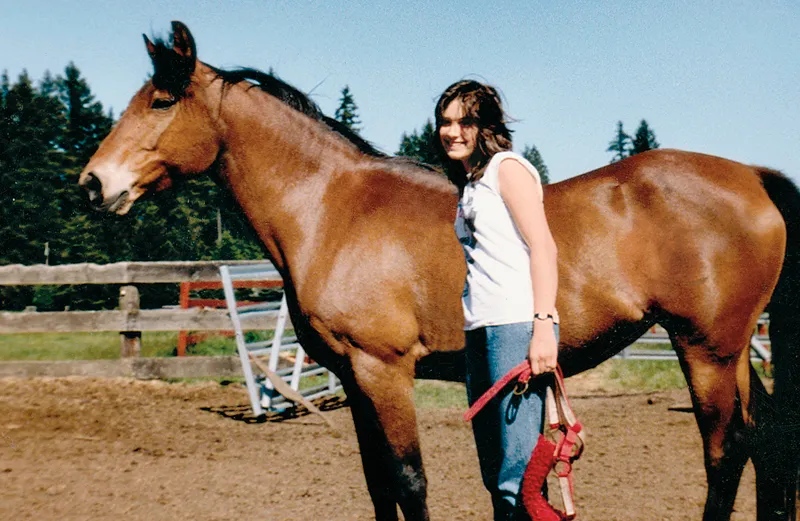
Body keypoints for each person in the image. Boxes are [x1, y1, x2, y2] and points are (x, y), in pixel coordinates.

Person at [435, 79, 560, 521]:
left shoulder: (508, 168)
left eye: (464, 121)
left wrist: (543, 325)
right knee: (495, 475)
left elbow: (544, 247)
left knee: (519, 476)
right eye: (445, 122)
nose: (452, 131)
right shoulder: (471, 183)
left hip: (515, 325)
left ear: (485, 125)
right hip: (480, 328)